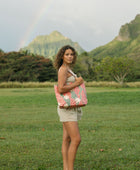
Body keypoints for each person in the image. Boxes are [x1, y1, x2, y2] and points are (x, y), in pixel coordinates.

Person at [54, 45, 84, 170]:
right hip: (67, 109)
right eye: (67, 54)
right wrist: (77, 83)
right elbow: (60, 89)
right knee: (76, 139)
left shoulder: (68, 69)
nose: (70, 56)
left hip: (71, 107)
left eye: (72, 54)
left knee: (66, 139)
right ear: (62, 56)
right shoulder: (63, 70)